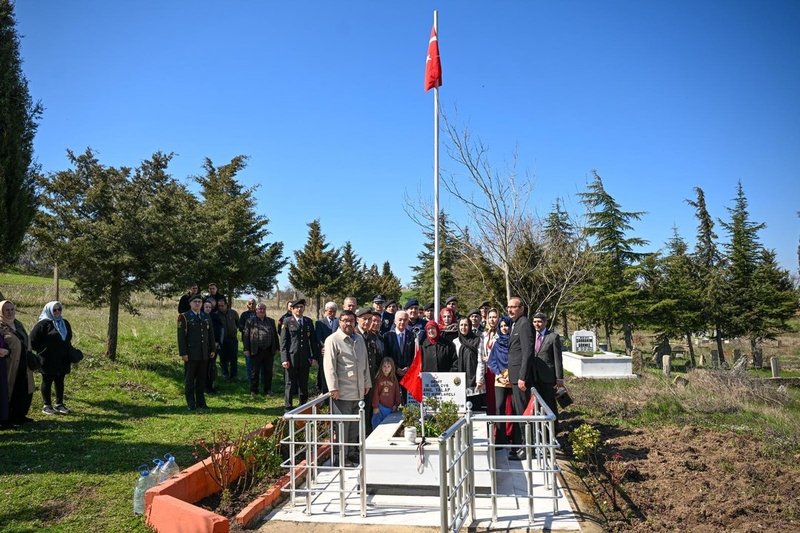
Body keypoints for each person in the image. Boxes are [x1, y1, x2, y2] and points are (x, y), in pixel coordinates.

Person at [323, 310, 371, 466]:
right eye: (345, 320)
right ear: (339, 321)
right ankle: (341, 458)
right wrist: (333, 387)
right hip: (342, 392)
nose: (348, 323)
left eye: (351, 320)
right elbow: (329, 366)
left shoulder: (359, 339)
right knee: (343, 427)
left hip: (358, 391)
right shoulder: (333, 340)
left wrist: (367, 383)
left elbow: (364, 364)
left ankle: (351, 453)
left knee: (354, 427)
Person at [30, 301, 76, 416]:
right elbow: (32, 341)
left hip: (63, 358)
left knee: (60, 380)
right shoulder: (42, 324)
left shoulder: (64, 322)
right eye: (54, 310)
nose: (57, 312)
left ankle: (59, 404)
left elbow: (68, 338)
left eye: (59, 309)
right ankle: (47, 405)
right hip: (47, 359)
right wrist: (43, 350)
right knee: (47, 380)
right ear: (48, 310)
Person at [177, 294, 216, 411]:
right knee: (190, 380)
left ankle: (201, 402)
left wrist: (212, 349)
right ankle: (191, 403)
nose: (198, 303)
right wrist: (183, 353)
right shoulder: (184, 317)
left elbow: (211, 334)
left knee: (201, 379)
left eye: (200, 301)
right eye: (195, 302)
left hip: (204, 353)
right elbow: (181, 337)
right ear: (190, 304)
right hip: (191, 354)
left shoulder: (205, 316)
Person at [507, 296, 534, 460]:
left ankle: (527, 448)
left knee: (524, 413)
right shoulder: (516, 324)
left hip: (521, 378)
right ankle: (520, 444)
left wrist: (523, 376)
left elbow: (527, 352)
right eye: (508, 307)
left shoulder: (524, 324)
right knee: (518, 411)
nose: (510, 310)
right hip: (515, 376)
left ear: (521, 308)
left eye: (513, 307)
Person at [280, 299, 319, 411]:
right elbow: (283, 342)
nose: (299, 309)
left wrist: (314, 357)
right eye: (297, 307)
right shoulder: (287, 321)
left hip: (305, 358)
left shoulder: (308, 321)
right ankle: (288, 407)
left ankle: (303, 406)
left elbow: (312, 341)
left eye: (301, 307)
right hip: (291, 358)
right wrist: (284, 359)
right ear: (292, 309)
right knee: (290, 383)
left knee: (303, 383)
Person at [0, 300, 35, 426]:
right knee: (10, 389)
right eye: (6, 310)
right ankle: (8, 418)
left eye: (12, 309)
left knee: (24, 389)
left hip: (24, 362)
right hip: (9, 364)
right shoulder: (0, 326)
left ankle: (21, 416)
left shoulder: (18, 324)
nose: (10, 312)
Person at [528, 312, 564, 421]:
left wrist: (559, 378)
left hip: (547, 377)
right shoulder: (530, 336)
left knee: (549, 403)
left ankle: (554, 429)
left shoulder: (553, 337)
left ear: (545, 322)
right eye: (534, 322)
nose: (536, 324)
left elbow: (558, 359)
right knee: (536, 404)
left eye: (539, 322)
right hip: (533, 376)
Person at [487, 316, 514, 446]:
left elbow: (517, 359)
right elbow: (492, 361)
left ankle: (514, 437)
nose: (504, 328)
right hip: (499, 378)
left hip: (513, 378)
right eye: (502, 326)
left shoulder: (515, 341)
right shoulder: (497, 343)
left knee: (514, 408)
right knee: (499, 408)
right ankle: (500, 438)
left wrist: (511, 374)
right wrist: (499, 373)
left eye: (506, 325)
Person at [243, 303, 279, 397]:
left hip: (268, 350)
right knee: (255, 372)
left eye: (263, 308)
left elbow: (275, 335)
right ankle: (254, 391)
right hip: (256, 350)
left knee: (268, 372)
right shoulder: (250, 321)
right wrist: (246, 349)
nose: (261, 310)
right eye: (259, 309)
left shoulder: (271, 321)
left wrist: (277, 348)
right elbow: (246, 336)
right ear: (256, 310)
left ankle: (268, 390)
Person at [452, 317, 484, 410]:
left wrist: (479, 379)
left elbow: (480, 361)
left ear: (470, 326)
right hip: (460, 380)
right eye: (461, 325)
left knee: (475, 408)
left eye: (466, 325)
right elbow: (455, 362)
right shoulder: (456, 342)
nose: (463, 327)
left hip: (474, 381)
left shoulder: (478, 340)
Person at [477, 308, 500, 416]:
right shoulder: (484, 335)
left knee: (500, 402)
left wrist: (491, 358)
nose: (492, 320)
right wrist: (480, 378)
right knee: (490, 401)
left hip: (499, 372)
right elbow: (480, 358)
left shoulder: (502, 334)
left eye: (494, 317)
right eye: (490, 317)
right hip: (488, 372)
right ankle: (493, 428)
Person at [314, 301, 339, 394]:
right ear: (325, 311)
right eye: (330, 311)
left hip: (336, 351)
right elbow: (319, 338)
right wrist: (327, 347)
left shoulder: (338, 321)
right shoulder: (320, 323)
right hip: (324, 351)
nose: (332, 313)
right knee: (324, 373)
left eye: (334, 311)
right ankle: (324, 393)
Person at [371, 356, 400, 428]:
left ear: (392, 367)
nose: (386, 368)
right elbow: (375, 393)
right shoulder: (378, 378)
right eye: (384, 366)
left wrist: (396, 404)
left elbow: (397, 392)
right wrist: (375, 406)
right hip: (380, 407)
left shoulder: (394, 379)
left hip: (390, 407)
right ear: (381, 367)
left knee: (388, 426)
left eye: (388, 366)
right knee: (377, 426)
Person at [216, 297, 240, 381]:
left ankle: (234, 376)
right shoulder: (216, 315)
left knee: (234, 357)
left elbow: (237, 323)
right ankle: (225, 374)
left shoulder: (233, 313)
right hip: (222, 340)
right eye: (219, 306)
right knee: (223, 358)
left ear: (226, 305)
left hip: (232, 339)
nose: (220, 307)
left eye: (222, 305)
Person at [204, 298, 222, 394]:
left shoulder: (215, 317)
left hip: (213, 346)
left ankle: (210, 386)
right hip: (202, 347)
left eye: (209, 307)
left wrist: (218, 342)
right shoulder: (200, 316)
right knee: (203, 367)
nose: (208, 308)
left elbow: (220, 330)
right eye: (206, 307)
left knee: (211, 367)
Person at [238, 298, 257, 381]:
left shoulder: (259, 313)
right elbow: (240, 326)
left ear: (256, 304)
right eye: (250, 303)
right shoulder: (244, 314)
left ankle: (258, 378)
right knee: (248, 360)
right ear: (247, 305)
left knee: (257, 360)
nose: (251, 305)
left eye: (253, 303)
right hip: (247, 341)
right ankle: (250, 378)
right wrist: (248, 330)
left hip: (257, 341)